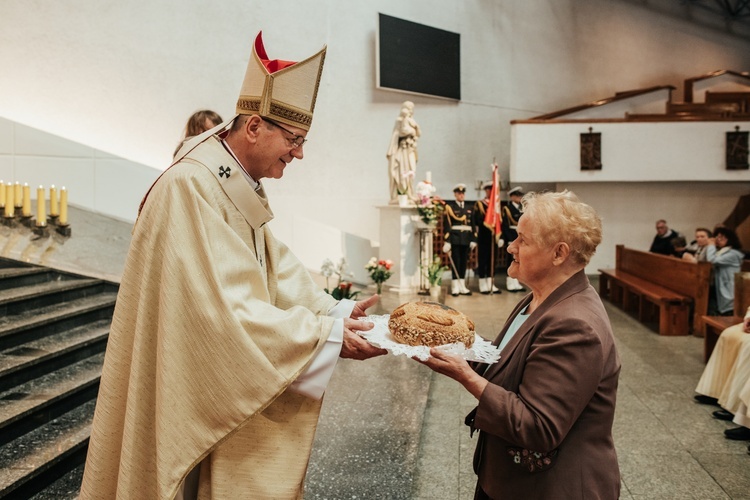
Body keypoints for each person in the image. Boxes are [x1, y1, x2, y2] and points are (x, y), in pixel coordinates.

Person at [80, 32, 386, 500]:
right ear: (254, 127)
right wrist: (323, 336)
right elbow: (219, 311)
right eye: (294, 139)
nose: (299, 153)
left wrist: (334, 313)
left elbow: (269, 265)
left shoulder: (230, 181)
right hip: (183, 383)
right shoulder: (192, 186)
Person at [419, 190, 620, 499]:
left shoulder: (574, 325)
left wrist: (465, 375)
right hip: (512, 478)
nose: (511, 246)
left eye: (523, 240)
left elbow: (539, 426)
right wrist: (448, 336)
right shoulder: (542, 296)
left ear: (558, 253)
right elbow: (505, 358)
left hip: (548, 487)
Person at [443, 183, 476, 296]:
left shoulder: (469, 208)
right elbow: (447, 224)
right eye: (459, 193)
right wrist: (447, 241)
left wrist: (473, 239)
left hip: (466, 239)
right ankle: (455, 287)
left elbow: (473, 225)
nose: (461, 195)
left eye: (463, 193)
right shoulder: (451, 208)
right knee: (455, 262)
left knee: (463, 263)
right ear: (455, 194)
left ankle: (462, 286)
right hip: (455, 239)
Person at [386, 101, 420, 202]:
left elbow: (418, 133)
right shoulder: (399, 120)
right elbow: (400, 132)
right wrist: (412, 130)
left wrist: (415, 129)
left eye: (411, 108)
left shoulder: (413, 121)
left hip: (410, 150)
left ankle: (410, 193)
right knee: (402, 172)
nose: (410, 110)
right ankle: (402, 194)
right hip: (402, 150)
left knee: (411, 171)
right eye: (408, 107)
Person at [707, 226, 745, 315]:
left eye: (721, 237)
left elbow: (712, 260)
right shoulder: (721, 251)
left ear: (730, 239)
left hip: (728, 291)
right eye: (717, 237)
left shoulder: (733, 254)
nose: (718, 239)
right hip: (721, 289)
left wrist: (711, 246)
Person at [473, 181, 502, 294]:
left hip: (493, 237)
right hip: (484, 236)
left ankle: (491, 283)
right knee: (483, 260)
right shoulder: (480, 204)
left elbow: (500, 222)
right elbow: (478, 220)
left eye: (492, 189)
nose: (490, 191)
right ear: (485, 190)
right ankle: (482, 283)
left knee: (492, 260)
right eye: (489, 189)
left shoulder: (496, 206)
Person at [501, 186, 525, 292]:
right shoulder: (507, 209)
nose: (520, 197)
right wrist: (508, 239)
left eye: (520, 195)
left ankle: (516, 282)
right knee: (510, 261)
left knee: (519, 260)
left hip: (520, 238)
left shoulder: (521, 209)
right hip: (511, 237)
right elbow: (505, 226)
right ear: (512, 197)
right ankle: (509, 282)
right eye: (517, 195)